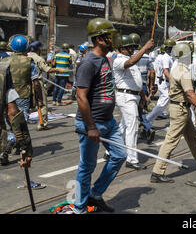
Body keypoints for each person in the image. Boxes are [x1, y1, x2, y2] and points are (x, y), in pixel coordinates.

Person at [71, 18, 127, 214]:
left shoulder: (105, 58)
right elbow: (80, 96)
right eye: (110, 36)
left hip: (109, 122)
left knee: (120, 155)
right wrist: (91, 127)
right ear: (101, 39)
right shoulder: (88, 62)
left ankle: (95, 194)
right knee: (87, 166)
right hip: (91, 123)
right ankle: (80, 207)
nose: (114, 39)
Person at [150, 43, 196, 183]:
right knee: (171, 140)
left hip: (181, 108)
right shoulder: (183, 72)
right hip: (180, 109)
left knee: (192, 137)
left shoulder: (176, 68)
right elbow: (190, 93)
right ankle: (157, 172)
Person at [113, 34, 154, 170]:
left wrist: (143, 96)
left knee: (124, 126)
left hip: (133, 96)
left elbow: (136, 81)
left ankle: (111, 150)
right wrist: (145, 48)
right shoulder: (119, 60)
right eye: (129, 47)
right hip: (126, 97)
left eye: (132, 47)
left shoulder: (131, 59)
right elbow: (130, 63)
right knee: (132, 128)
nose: (132, 49)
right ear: (121, 48)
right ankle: (131, 159)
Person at [28, 41, 65, 130]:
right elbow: (47, 70)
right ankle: (42, 124)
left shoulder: (26, 56)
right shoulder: (39, 58)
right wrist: (58, 70)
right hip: (37, 83)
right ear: (37, 49)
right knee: (42, 103)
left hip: (26, 84)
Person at [8, 35, 42, 123]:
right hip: (23, 95)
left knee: (10, 120)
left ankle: (12, 136)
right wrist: (40, 98)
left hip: (7, 95)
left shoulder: (5, 61)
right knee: (22, 123)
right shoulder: (29, 62)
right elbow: (36, 83)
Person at [145, 39, 175, 130]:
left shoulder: (161, 57)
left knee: (164, 102)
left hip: (162, 81)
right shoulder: (165, 57)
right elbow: (166, 71)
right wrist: (173, 82)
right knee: (163, 103)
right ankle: (147, 120)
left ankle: (149, 121)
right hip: (165, 82)